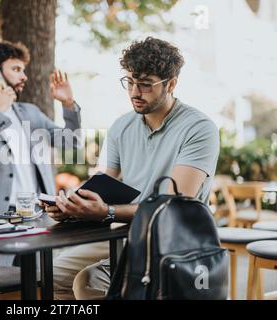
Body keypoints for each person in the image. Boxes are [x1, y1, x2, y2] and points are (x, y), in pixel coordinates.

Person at [44, 37, 220, 299]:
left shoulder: (199, 128)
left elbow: (173, 207)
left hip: (177, 241)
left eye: (146, 85)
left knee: (88, 281)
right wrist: (73, 207)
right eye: (130, 82)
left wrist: (109, 211)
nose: (135, 92)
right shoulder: (121, 127)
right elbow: (102, 183)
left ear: (171, 84)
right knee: (54, 273)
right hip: (128, 232)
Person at [0, 41, 82, 266]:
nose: (24, 76)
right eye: (16, 69)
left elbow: (72, 142)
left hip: (35, 220)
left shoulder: (31, 113)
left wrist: (68, 104)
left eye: (23, 70)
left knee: (37, 287)